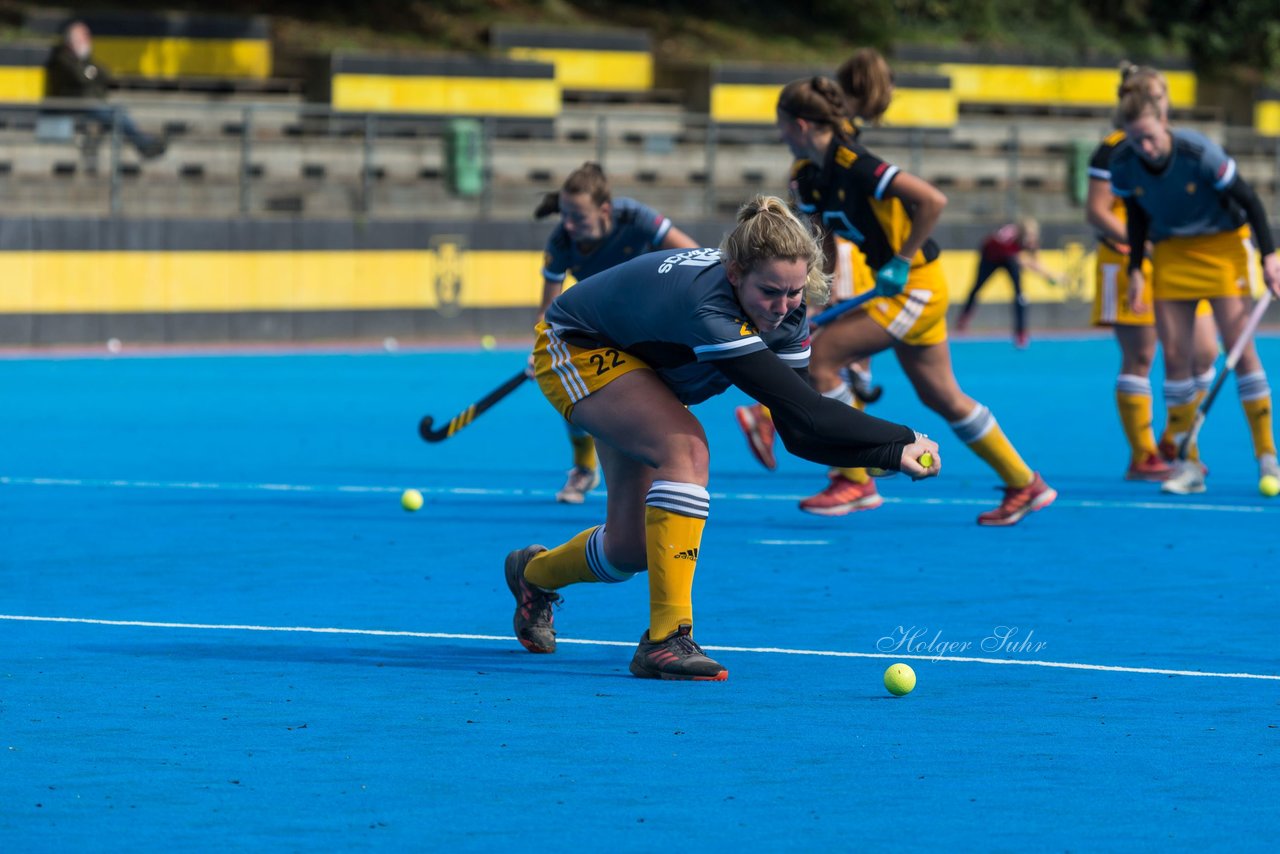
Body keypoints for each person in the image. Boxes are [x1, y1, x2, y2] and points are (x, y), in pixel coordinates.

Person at [505, 196, 941, 680]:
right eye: (770, 292)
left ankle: (531, 575)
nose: (782, 308)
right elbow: (810, 412)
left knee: (629, 551)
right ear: (735, 273)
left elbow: (796, 431)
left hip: (648, 367)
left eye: (795, 292)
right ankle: (666, 640)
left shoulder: (789, 316)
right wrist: (902, 438)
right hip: (580, 344)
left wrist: (884, 451)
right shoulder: (709, 305)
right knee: (686, 449)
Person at [775, 74, 1056, 524]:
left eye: (783, 124)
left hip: (916, 285)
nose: (780, 134)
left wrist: (902, 260)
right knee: (941, 395)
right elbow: (823, 237)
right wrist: (820, 294)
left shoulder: (857, 163)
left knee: (820, 360)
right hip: (909, 290)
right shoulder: (807, 176)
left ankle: (855, 478)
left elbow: (932, 201)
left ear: (802, 125)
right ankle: (1026, 484)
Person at [1111, 87, 1280, 495]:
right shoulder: (1123, 164)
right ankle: (1187, 465)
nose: (1145, 147)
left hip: (1222, 248)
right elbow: (1135, 216)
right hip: (1170, 252)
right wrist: (1136, 268)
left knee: (1242, 350)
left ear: (1164, 123)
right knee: (1174, 357)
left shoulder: (1197, 151)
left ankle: (1267, 456)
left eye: (1150, 136)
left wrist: (1269, 256)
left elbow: (1249, 200)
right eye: (1136, 139)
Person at [734, 48, 888, 474]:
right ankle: (849, 469)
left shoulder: (831, 132)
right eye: (888, 82)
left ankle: (850, 470)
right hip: (843, 252)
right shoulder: (840, 135)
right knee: (826, 354)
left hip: (836, 246)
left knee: (829, 353)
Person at [1085, 64, 1221, 482]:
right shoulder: (1115, 149)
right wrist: (1141, 243)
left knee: (1204, 354)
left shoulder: (1176, 145)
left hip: (1177, 262)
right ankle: (1143, 455)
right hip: (1129, 263)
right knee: (1141, 356)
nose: (1164, 103)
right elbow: (1098, 210)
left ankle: (1175, 440)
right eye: (1158, 95)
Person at [533, 162, 698, 503]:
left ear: (604, 210)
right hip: (600, 324)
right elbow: (548, 312)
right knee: (574, 389)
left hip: (650, 320)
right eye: (564, 215)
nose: (568, 225)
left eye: (577, 216)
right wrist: (535, 351)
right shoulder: (562, 241)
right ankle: (583, 468)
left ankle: (665, 471)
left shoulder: (635, 218)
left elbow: (693, 253)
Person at [43, 20, 166, 159]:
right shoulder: (63, 58)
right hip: (75, 104)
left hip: (91, 102)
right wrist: (87, 67)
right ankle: (143, 144)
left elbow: (104, 74)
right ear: (72, 40)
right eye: (83, 37)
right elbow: (81, 78)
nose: (87, 41)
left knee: (117, 113)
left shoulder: (84, 59)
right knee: (117, 116)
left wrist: (87, 66)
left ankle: (138, 144)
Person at [955, 218, 1061, 348]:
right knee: (977, 288)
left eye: (1033, 235)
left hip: (1009, 259)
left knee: (1020, 294)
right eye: (1029, 235)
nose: (1031, 238)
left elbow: (1036, 261)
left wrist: (1049, 275)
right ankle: (963, 319)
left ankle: (1021, 332)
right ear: (1022, 233)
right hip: (991, 256)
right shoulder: (1010, 239)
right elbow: (1025, 263)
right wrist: (1052, 275)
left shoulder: (1031, 241)